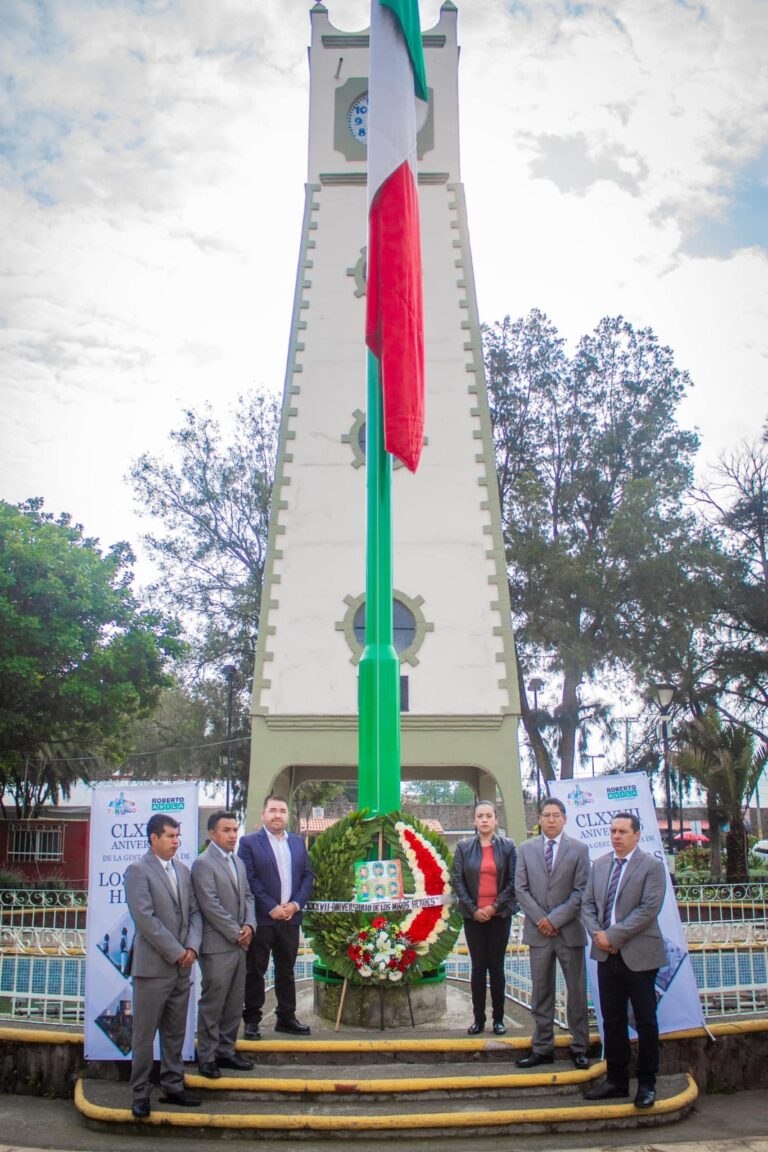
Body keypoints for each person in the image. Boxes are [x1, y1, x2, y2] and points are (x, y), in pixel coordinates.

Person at [581, 812, 667, 1110]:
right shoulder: (600, 864)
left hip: (639, 955)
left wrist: (613, 936)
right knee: (612, 1019)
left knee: (645, 1021)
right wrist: (598, 935)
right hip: (606, 955)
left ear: (637, 834)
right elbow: (588, 904)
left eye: (622, 831)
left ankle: (647, 1083)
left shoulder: (652, 867)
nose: (616, 836)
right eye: (613, 831)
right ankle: (616, 1081)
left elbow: (648, 910)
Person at [123, 813, 202, 1119]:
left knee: (174, 1032)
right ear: (153, 838)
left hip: (183, 968)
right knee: (144, 1035)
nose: (176, 842)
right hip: (153, 968)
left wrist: (192, 947)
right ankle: (140, 1093)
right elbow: (145, 919)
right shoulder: (138, 871)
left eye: (177, 836)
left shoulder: (183, 871)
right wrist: (176, 951)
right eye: (170, 836)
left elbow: (195, 912)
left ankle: (173, 1085)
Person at [514, 796, 591, 1069]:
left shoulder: (579, 849)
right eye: (546, 815)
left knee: (577, 992)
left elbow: (582, 891)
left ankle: (580, 1046)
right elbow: (520, 888)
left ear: (564, 818)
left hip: (569, 932)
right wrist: (541, 920)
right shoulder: (526, 849)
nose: (551, 819)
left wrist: (555, 920)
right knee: (541, 992)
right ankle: (542, 1046)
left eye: (556, 815)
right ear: (539, 819)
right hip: (538, 933)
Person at [238, 793, 314, 1039]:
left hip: (290, 919)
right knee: (255, 971)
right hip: (262, 919)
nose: (277, 815)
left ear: (287, 815)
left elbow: (307, 877)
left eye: (282, 811)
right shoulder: (249, 843)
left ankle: (286, 1017)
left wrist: (295, 904)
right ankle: (252, 1020)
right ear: (264, 815)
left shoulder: (297, 842)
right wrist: (271, 906)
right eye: (273, 810)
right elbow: (249, 879)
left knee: (286, 970)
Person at [191, 810, 257, 1079]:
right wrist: (236, 931)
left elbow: (249, 897)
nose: (233, 835)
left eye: (235, 829)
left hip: (240, 944)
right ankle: (206, 1056)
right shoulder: (203, 864)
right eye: (227, 830)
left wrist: (250, 926)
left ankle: (226, 1051)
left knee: (233, 1001)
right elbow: (210, 905)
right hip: (218, 945)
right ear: (212, 834)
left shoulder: (238, 862)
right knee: (214, 1001)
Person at [451, 801, 517, 1035]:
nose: (485, 820)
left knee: (496, 967)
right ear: (474, 821)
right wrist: (474, 909)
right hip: (473, 917)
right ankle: (478, 1019)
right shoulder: (463, 847)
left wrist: (494, 907)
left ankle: (498, 1019)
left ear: (496, 820)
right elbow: (457, 879)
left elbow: (513, 880)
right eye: (480, 816)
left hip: (499, 916)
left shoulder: (508, 847)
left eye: (489, 815)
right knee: (478, 968)